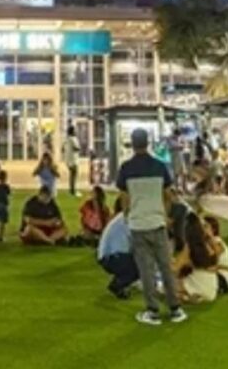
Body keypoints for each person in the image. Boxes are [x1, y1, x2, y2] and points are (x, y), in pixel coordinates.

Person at [116, 128, 187, 327]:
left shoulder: (126, 168)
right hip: (157, 222)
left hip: (139, 223)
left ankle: (152, 310)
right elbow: (168, 195)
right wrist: (164, 214)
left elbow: (124, 198)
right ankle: (175, 308)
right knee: (166, 266)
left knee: (146, 269)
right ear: (148, 143)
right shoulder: (160, 166)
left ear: (132, 143)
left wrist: (127, 216)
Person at [98, 196, 139, 299]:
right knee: (143, 265)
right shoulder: (129, 218)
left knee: (142, 262)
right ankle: (118, 285)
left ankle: (121, 283)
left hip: (109, 256)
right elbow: (137, 245)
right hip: (112, 257)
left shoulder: (124, 216)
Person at [64, 125, 81, 196]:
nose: (76, 131)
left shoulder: (66, 139)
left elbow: (63, 148)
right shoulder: (73, 139)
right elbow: (76, 148)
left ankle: (71, 190)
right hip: (73, 160)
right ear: (72, 131)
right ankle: (73, 191)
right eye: (75, 130)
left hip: (68, 160)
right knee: (74, 175)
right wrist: (79, 148)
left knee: (71, 176)